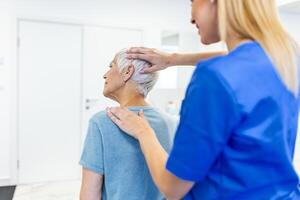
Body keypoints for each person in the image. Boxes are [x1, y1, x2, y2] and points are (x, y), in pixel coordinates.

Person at [106, 0, 300, 199]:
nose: (191, 17)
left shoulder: (213, 77)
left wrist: (143, 131)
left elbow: (173, 187)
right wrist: (174, 59)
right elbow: (236, 58)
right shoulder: (287, 59)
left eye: (192, 3)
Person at [79, 49, 178, 200]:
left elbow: (90, 194)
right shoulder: (171, 122)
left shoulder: (102, 122)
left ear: (127, 72)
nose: (105, 75)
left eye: (111, 66)